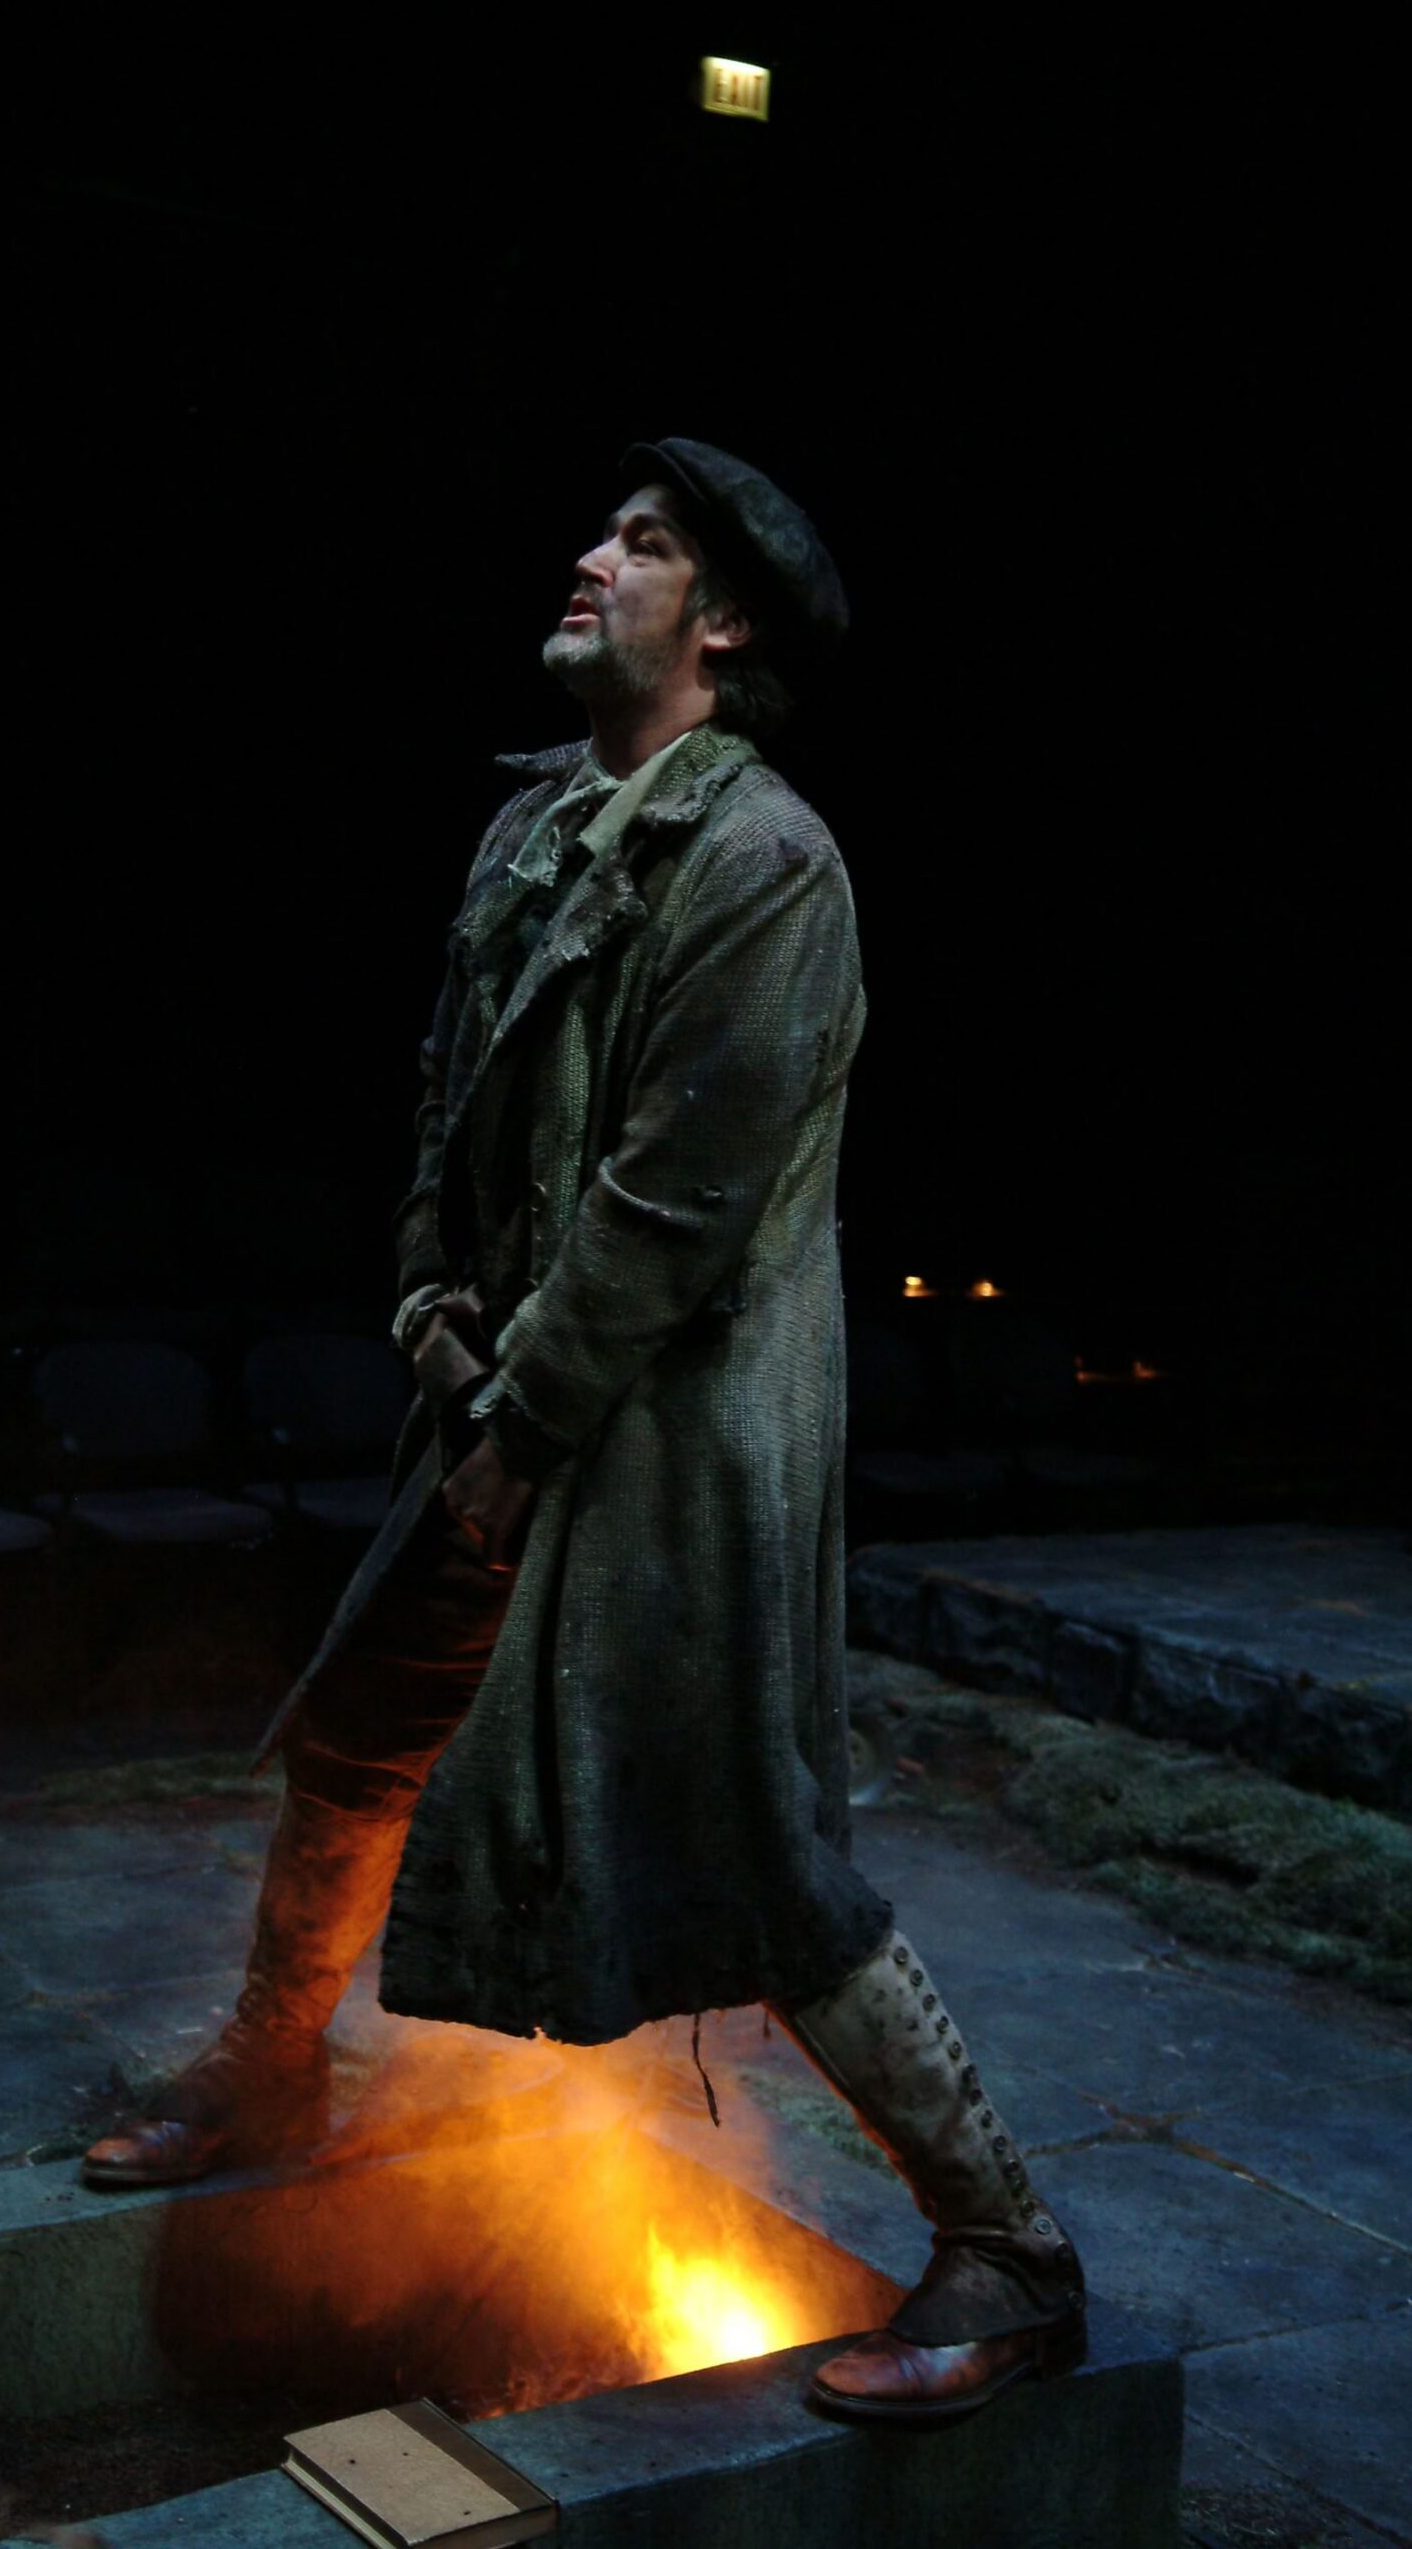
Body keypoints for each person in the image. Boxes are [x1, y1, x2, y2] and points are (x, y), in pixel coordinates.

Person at [81, 438, 1086, 2422]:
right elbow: (445, 1105)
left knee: (759, 1850)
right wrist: (423, 1301)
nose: (591, 557)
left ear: (726, 621)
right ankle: (272, 2062)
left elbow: (674, 1198)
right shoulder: (535, 826)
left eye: (644, 544)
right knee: (359, 1736)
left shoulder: (768, 864)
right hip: (503, 1411)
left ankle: (1010, 2249)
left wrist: (525, 1414)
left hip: (663, 1454)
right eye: (604, 530)